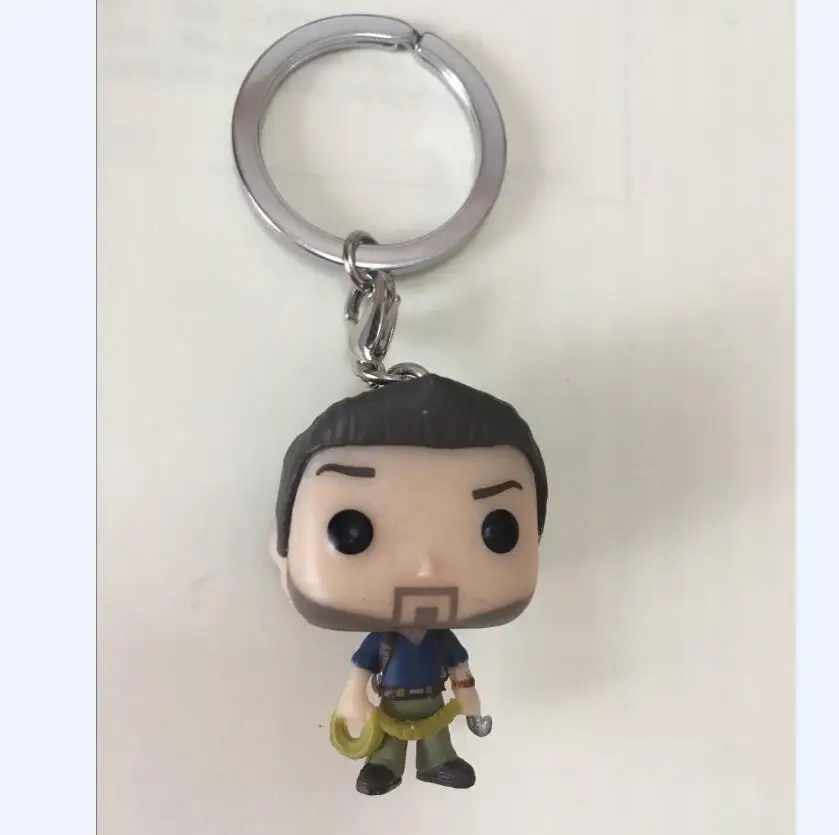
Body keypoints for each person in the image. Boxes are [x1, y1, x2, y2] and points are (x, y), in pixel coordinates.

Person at [272, 373, 548, 795]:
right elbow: (361, 670)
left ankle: (438, 761)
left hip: (434, 700)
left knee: (436, 737)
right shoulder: (383, 642)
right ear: (282, 545)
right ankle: (384, 765)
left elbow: (461, 672)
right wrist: (353, 697)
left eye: (498, 530)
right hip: (392, 704)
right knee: (389, 741)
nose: (426, 567)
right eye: (351, 530)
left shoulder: (440, 641)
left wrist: (469, 701)